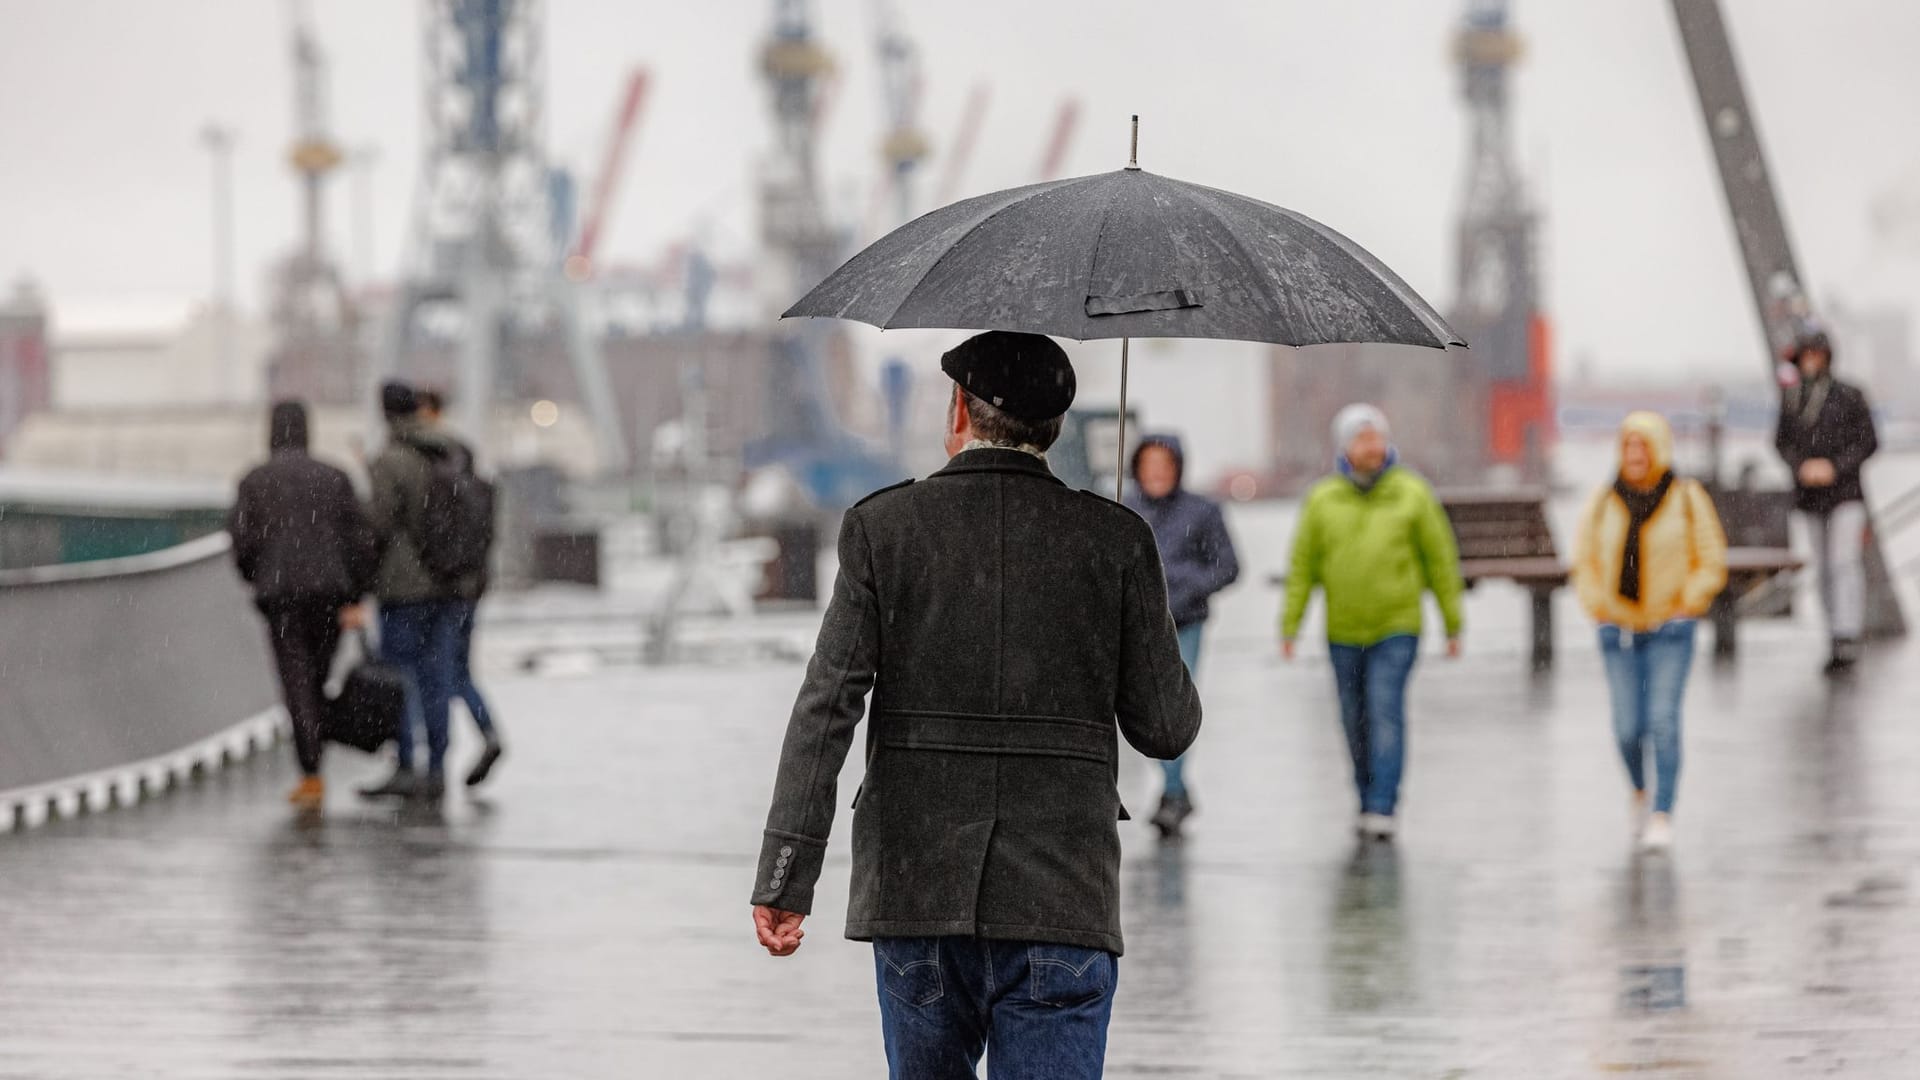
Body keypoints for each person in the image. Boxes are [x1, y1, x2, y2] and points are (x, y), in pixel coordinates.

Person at [748, 331, 1201, 1079]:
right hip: (1061, 895)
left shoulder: (883, 529)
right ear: (1054, 426)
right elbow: (1167, 727)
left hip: (917, 890)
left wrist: (786, 876)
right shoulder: (1114, 539)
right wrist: (1134, 601)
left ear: (960, 408)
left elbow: (826, 708)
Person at [1281, 404, 1464, 842]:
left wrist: (1452, 622)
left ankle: (1384, 804)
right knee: (1352, 717)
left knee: (1385, 710)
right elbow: (1303, 566)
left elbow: (1440, 560)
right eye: (1361, 438)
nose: (1372, 447)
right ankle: (1363, 796)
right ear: (1344, 446)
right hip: (1343, 630)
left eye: (1377, 437)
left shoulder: (1412, 492)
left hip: (1396, 626)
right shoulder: (1322, 499)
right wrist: (1290, 625)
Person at [1573, 411, 1727, 852]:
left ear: (1659, 449)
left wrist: (1690, 601)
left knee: (1662, 719)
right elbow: (1585, 559)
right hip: (1617, 630)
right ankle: (1639, 791)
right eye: (1627, 446)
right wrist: (1597, 606)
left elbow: (1711, 556)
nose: (1635, 455)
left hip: (1669, 630)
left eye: (1643, 446)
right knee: (1626, 727)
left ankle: (1663, 810)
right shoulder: (1605, 500)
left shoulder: (1686, 497)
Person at [227, 401, 378, 812]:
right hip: (330, 592)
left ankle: (310, 772)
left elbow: (242, 541)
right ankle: (318, 745)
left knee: (295, 679)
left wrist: (256, 575)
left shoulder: (255, 480)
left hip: (280, 596)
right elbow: (360, 540)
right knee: (319, 673)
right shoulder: (334, 477)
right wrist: (355, 594)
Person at [354, 381, 479, 801]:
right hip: (449, 583)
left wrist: (359, 578)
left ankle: (408, 762)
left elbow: (378, 525)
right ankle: (439, 767)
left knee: (400, 676)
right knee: (438, 675)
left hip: (403, 588)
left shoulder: (393, 459)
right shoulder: (453, 449)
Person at [1123, 433, 1240, 839]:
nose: (1156, 474)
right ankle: (1178, 790)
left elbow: (1228, 566)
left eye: (1164, 466)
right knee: (1141, 708)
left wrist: (1188, 586)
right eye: (1149, 465)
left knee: (1171, 706)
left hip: (1185, 623)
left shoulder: (1202, 511)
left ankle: (1172, 794)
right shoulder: (1125, 509)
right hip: (1136, 626)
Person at [1774, 327, 1879, 674]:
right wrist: (1801, 467)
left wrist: (1835, 467)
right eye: (1805, 355)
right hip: (1810, 497)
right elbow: (1781, 442)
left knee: (1844, 562)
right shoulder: (1792, 399)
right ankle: (1833, 633)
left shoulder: (1849, 395)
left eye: (1816, 354)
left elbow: (1869, 441)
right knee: (1823, 568)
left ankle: (1848, 633)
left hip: (1846, 493)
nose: (1810, 361)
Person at [416, 387, 504, 786]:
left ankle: (442, 758)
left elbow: (435, 537)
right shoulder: (479, 487)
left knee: (443, 673)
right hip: (473, 587)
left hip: (447, 590)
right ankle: (487, 733)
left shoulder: (439, 482)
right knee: (461, 670)